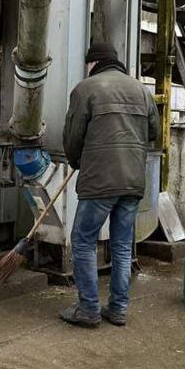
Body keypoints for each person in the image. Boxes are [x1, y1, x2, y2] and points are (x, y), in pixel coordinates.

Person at [59, 42, 160, 328]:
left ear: (92, 63)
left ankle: (89, 308)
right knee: (122, 246)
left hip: (100, 181)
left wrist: (76, 161)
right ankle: (118, 309)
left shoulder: (86, 89)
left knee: (83, 241)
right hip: (132, 180)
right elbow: (153, 131)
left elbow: (73, 137)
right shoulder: (141, 90)